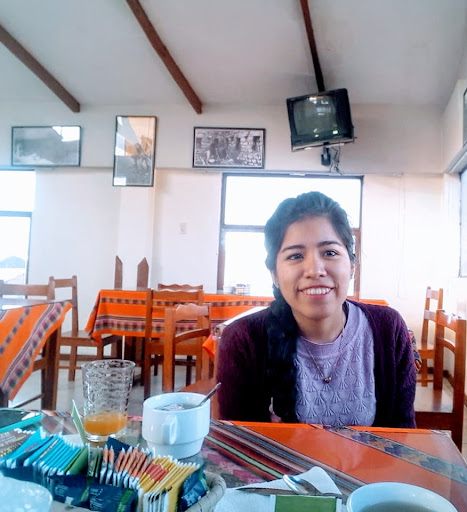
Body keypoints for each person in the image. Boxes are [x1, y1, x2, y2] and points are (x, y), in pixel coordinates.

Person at [216, 191, 416, 428]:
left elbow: (402, 436)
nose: (315, 270)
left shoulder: (388, 330)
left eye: (329, 253)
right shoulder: (243, 339)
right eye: (295, 256)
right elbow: (239, 443)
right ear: (274, 274)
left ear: (352, 265)